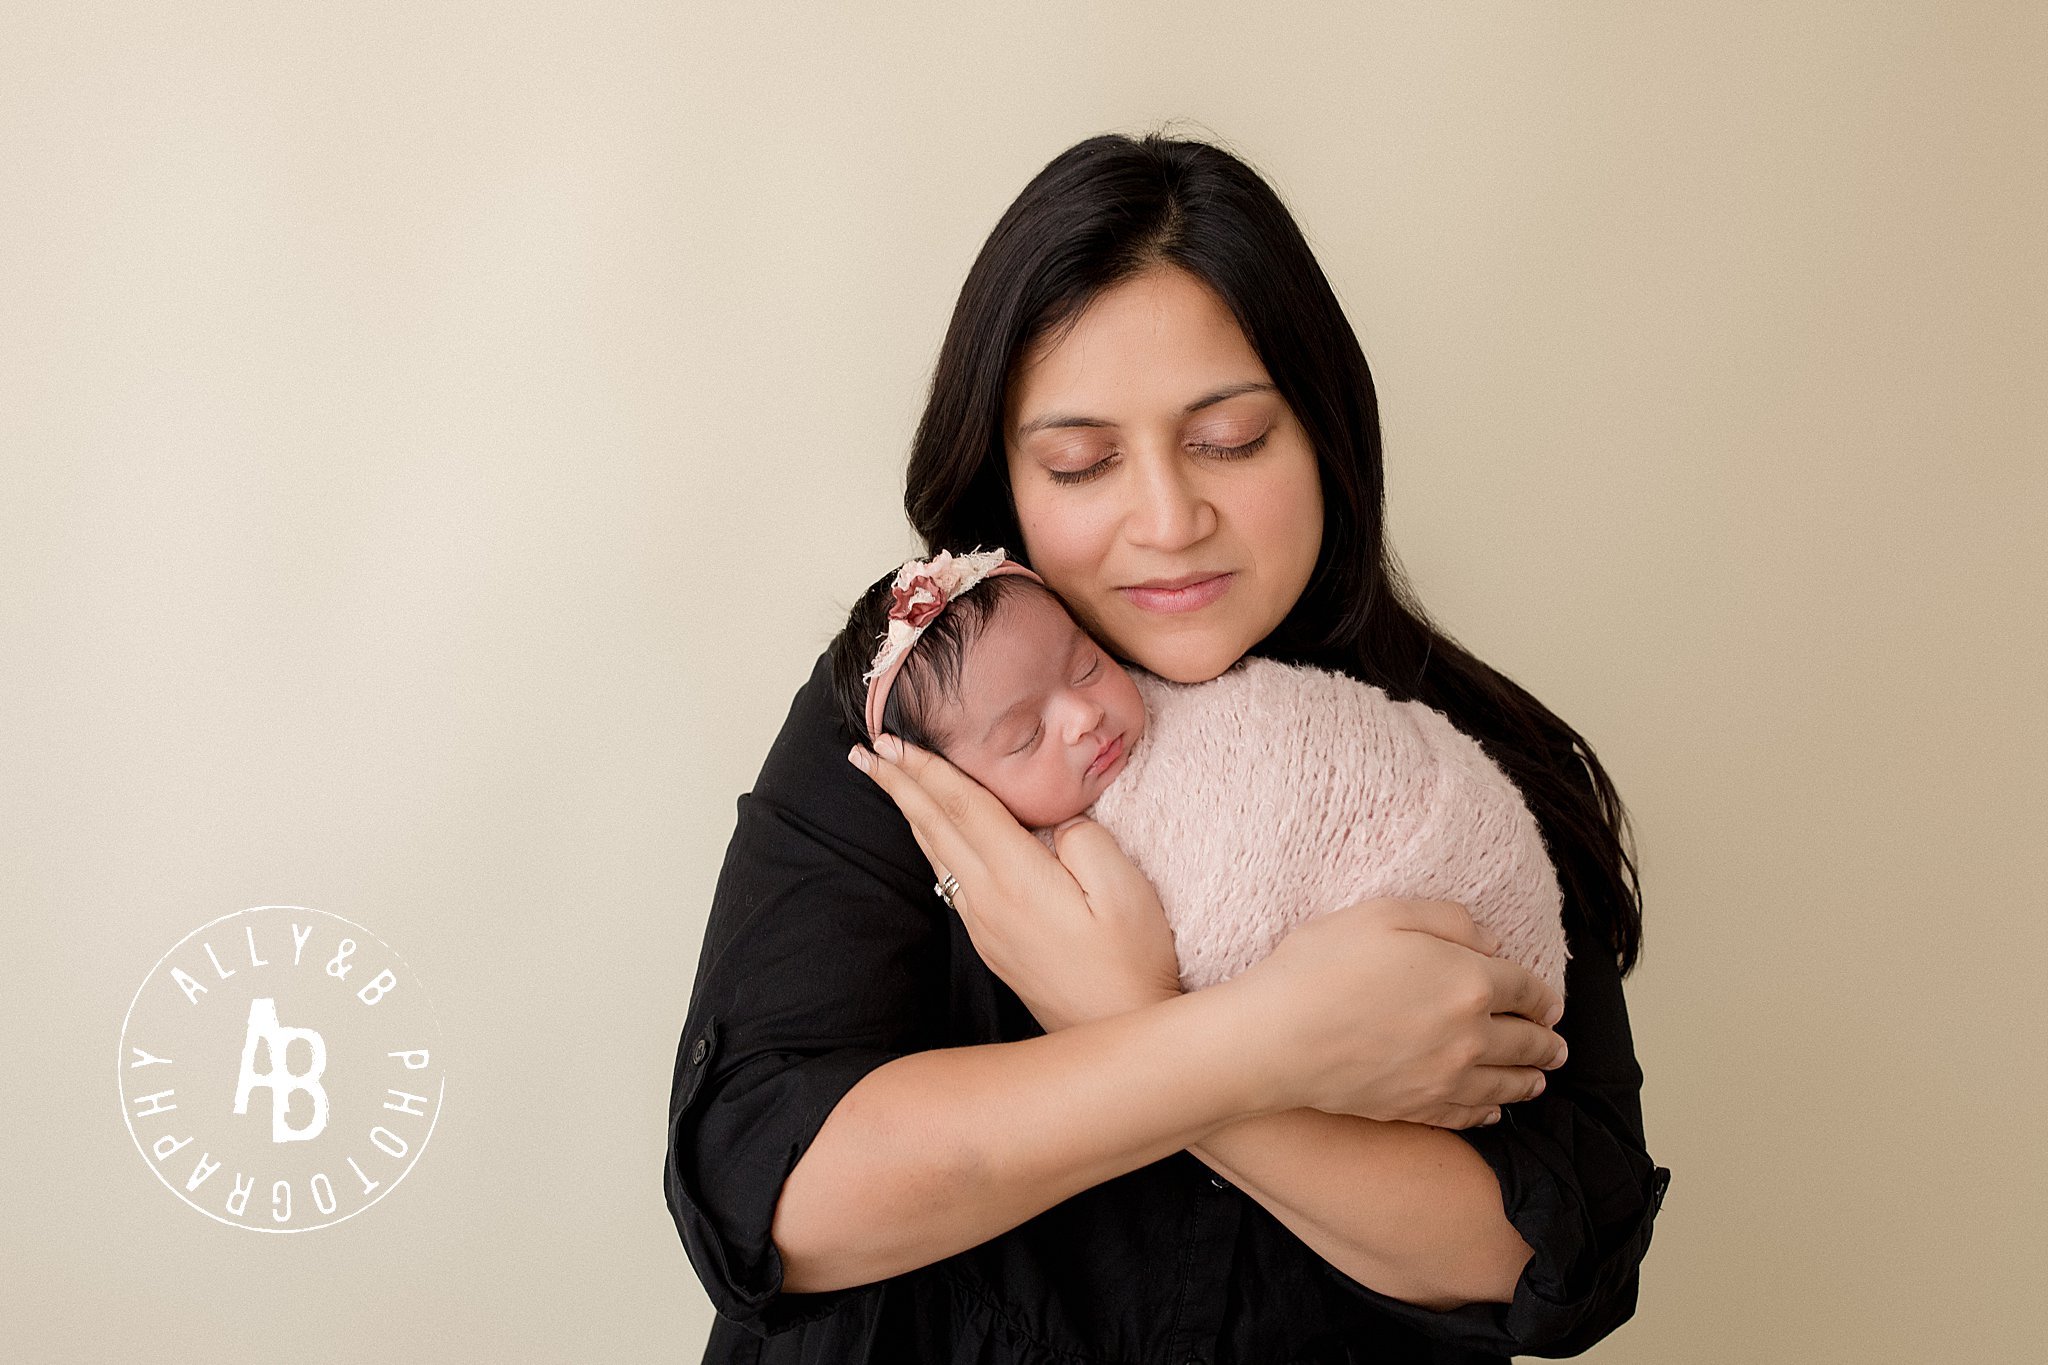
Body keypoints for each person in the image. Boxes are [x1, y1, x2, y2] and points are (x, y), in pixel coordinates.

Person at [664, 132, 1670, 1364]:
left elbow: (1544, 1255)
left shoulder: (1462, 775)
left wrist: (1118, 1015)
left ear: (1324, 437)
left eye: (1230, 440)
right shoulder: (920, 697)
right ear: (1006, 479)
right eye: (1081, 462)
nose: (1165, 520)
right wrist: (1266, 1041)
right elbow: (776, 1198)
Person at [825, 545, 1570, 997]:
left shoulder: (1196, 696)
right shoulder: (1022, 878)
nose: (1084, 715)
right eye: (1025, 735)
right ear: (948, 790)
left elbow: (1300, 778)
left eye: (1086, 663)